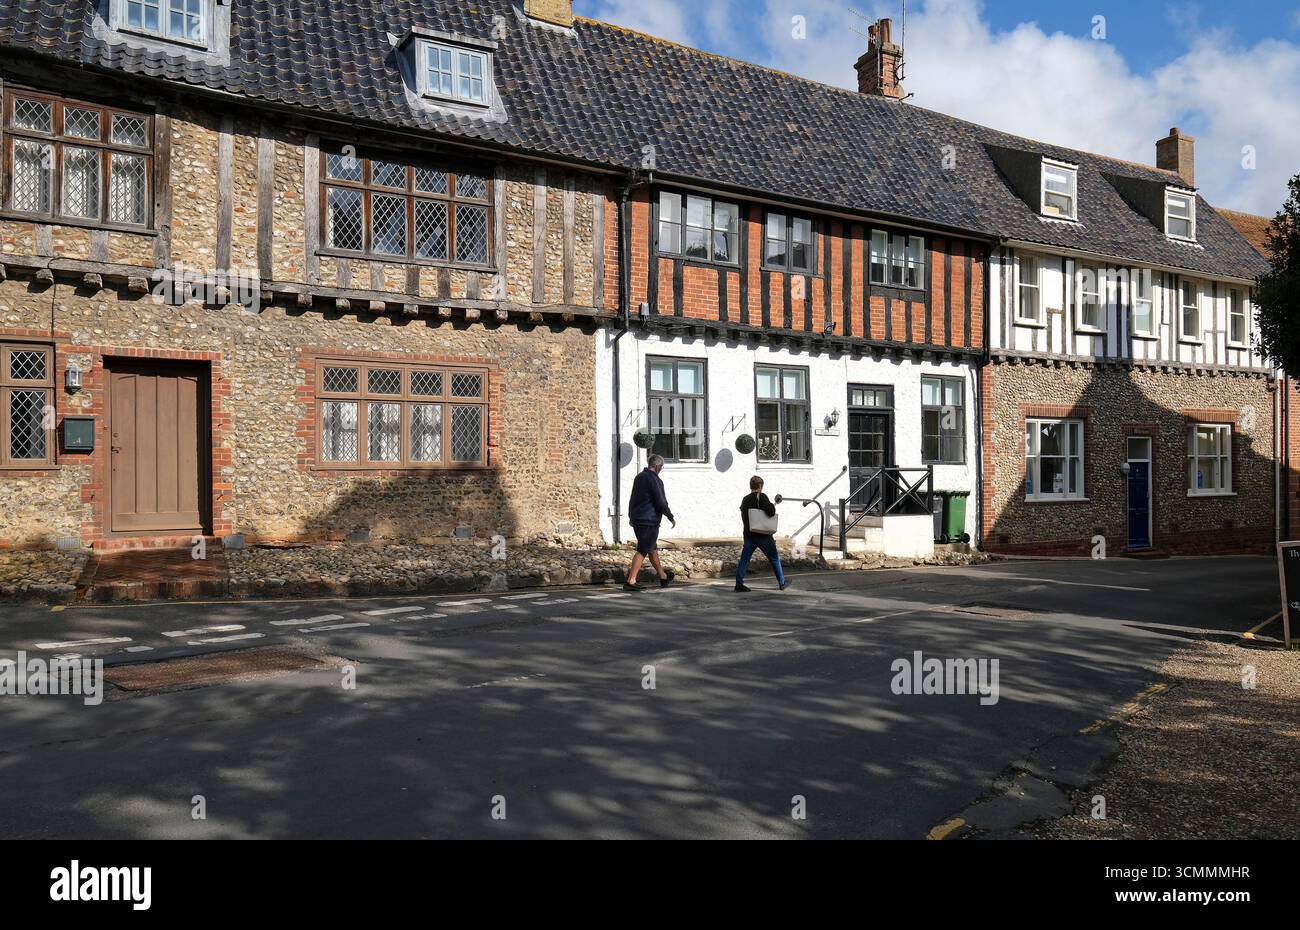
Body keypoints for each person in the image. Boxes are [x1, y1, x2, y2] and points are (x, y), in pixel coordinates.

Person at [624, 453, 677, 592]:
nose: (661, 469)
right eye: (662, 467)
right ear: (658, 466)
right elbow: (660, 500)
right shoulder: (655, 480)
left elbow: (632, 499)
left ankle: (663, 576)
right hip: (649, 520)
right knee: (643, 549)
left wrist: (631, 516)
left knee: (652, 548)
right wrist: (670, 516)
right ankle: (631, 580)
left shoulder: (639, 477)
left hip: (638, 518)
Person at [735, 475, 788, 592]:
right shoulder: (762, 497)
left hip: (749, 535)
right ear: (760, 486)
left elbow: (744, 516)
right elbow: (771, 512)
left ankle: (739, 584)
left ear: (750, 486)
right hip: (763, 535)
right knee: (774, 558)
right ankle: (782, 582)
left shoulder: (745, 499)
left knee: (744, 559)